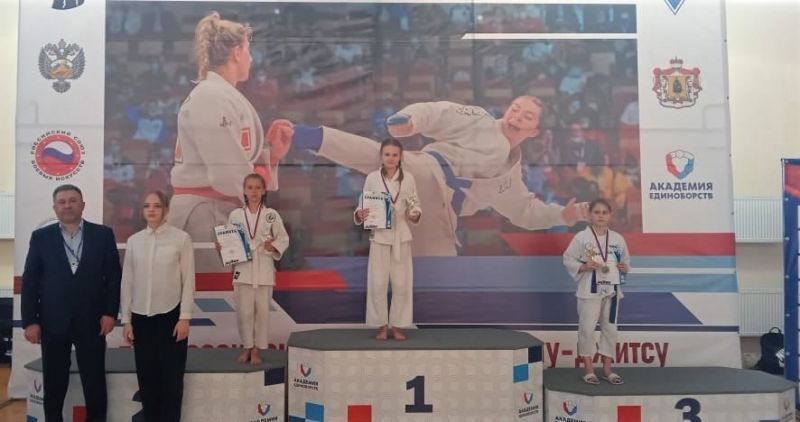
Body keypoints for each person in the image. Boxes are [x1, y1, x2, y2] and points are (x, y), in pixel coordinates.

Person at [267, 96, 585, 256]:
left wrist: (562, 215)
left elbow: (525, 211)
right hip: (428, 171)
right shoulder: (479, 119)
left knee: (438, 275)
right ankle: (303, 135)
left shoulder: (510, 175)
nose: (516, 117)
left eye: (527, 117)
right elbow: (437, 112)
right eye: (515, 108)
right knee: (381, 157)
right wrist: (410, 120)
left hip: (442, 215)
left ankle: (424, 342)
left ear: (535, 130)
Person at [168, 11, 290, 272]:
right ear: (236, 52)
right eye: (248, 50)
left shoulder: (221, 95)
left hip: (221, 210)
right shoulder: (211, 96)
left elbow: (236, 165)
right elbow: (227, 173)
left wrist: (272, 155)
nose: (251, 58)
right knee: (213, 291)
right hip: (205, 213)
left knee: (233, 288)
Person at [21, 184, 122, 422]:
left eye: (73, 200)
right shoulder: (41, 238)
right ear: (55, 207)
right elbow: (30, 282)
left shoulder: (103, 235)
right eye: (62, 201)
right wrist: (30, 321)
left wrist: (110, 312)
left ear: (83, 205)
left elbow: (113, 277)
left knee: (94, 380)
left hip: (92, 321)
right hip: (52, 322)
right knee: (54, 381)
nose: (67, 205)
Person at [121, 191, 195, 422]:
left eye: (156, 206)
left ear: (166, 210)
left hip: (171, 318)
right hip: (141, 318)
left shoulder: (181, 239)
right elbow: (127, 282)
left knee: (172, 380)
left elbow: (188, 281)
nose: (151, 210)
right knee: (147, 379)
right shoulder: (134, 241)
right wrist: (127, 320)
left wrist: (185, 317)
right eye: (147, 206)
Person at [354, 138, 422, 340]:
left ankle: (398, 325)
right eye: (387, 154)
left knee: (401, 284)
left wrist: (415, 214)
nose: (391, 158)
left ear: (400, 157)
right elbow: (362, 205)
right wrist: (360, 214)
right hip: (380, 235)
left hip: (401, 235)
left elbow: (414, 204)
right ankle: (382, 326)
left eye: (395, 155)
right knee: (378, 283)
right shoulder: (372, 178)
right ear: (381, 156)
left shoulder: (408, 179)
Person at [562, 198, 630, 385]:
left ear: (610, 215)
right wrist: (584, 266)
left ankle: (607, 370)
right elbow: (568, 259)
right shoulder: (581, 238)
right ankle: (589, 370)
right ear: (590, 215)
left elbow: (626, 262)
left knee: (610, 330)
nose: (601, 216)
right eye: (597, 212)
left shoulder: (617, 239)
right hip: (589, 291)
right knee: (587, 329)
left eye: (604, 212)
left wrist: (624, 267)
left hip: (611, 291)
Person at [225, 173, 289, 364]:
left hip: (264, 269)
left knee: (262, 313)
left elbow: (283, 238)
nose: (254, 191)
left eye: (257, 188)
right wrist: (224, 247)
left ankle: (256, 350)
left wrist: (273, 246)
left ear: (263, 191)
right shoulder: (235, 215)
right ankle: (247, 346)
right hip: (243, 269)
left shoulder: (271, 215)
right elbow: (229, 241)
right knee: (244, 313)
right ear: (244, 191)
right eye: (250, 188)